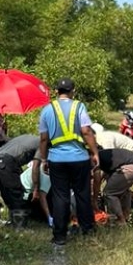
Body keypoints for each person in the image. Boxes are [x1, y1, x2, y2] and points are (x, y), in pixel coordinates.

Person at [37, 77, 100, 246]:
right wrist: (94, 152)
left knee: (60, 197)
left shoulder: (47, 109)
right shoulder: (79, 106)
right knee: (82, 194)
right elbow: (86, 131)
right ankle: (87, 230)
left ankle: (59, 235)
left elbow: (43, 139)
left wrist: (44, 159)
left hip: (56, 159)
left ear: (57, 91)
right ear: (73, 91)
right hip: (79, 158)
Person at [0, 132, 51, 225]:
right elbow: (35, 166)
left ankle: (13, 222)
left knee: (8, 194)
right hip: (8, 161)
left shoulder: (30, 137)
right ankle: (20, 227)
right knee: (17, 194)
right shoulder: (42, 144)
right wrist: (36, 188)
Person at [93, 145, 133, 224]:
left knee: (109, 193)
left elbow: (97, 181)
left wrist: (94, 199)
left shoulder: (95, 159)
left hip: (131, 166)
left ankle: (119, 220)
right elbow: (104, 175)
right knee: (122, 190)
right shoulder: (104, 156)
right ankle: (126, 216)